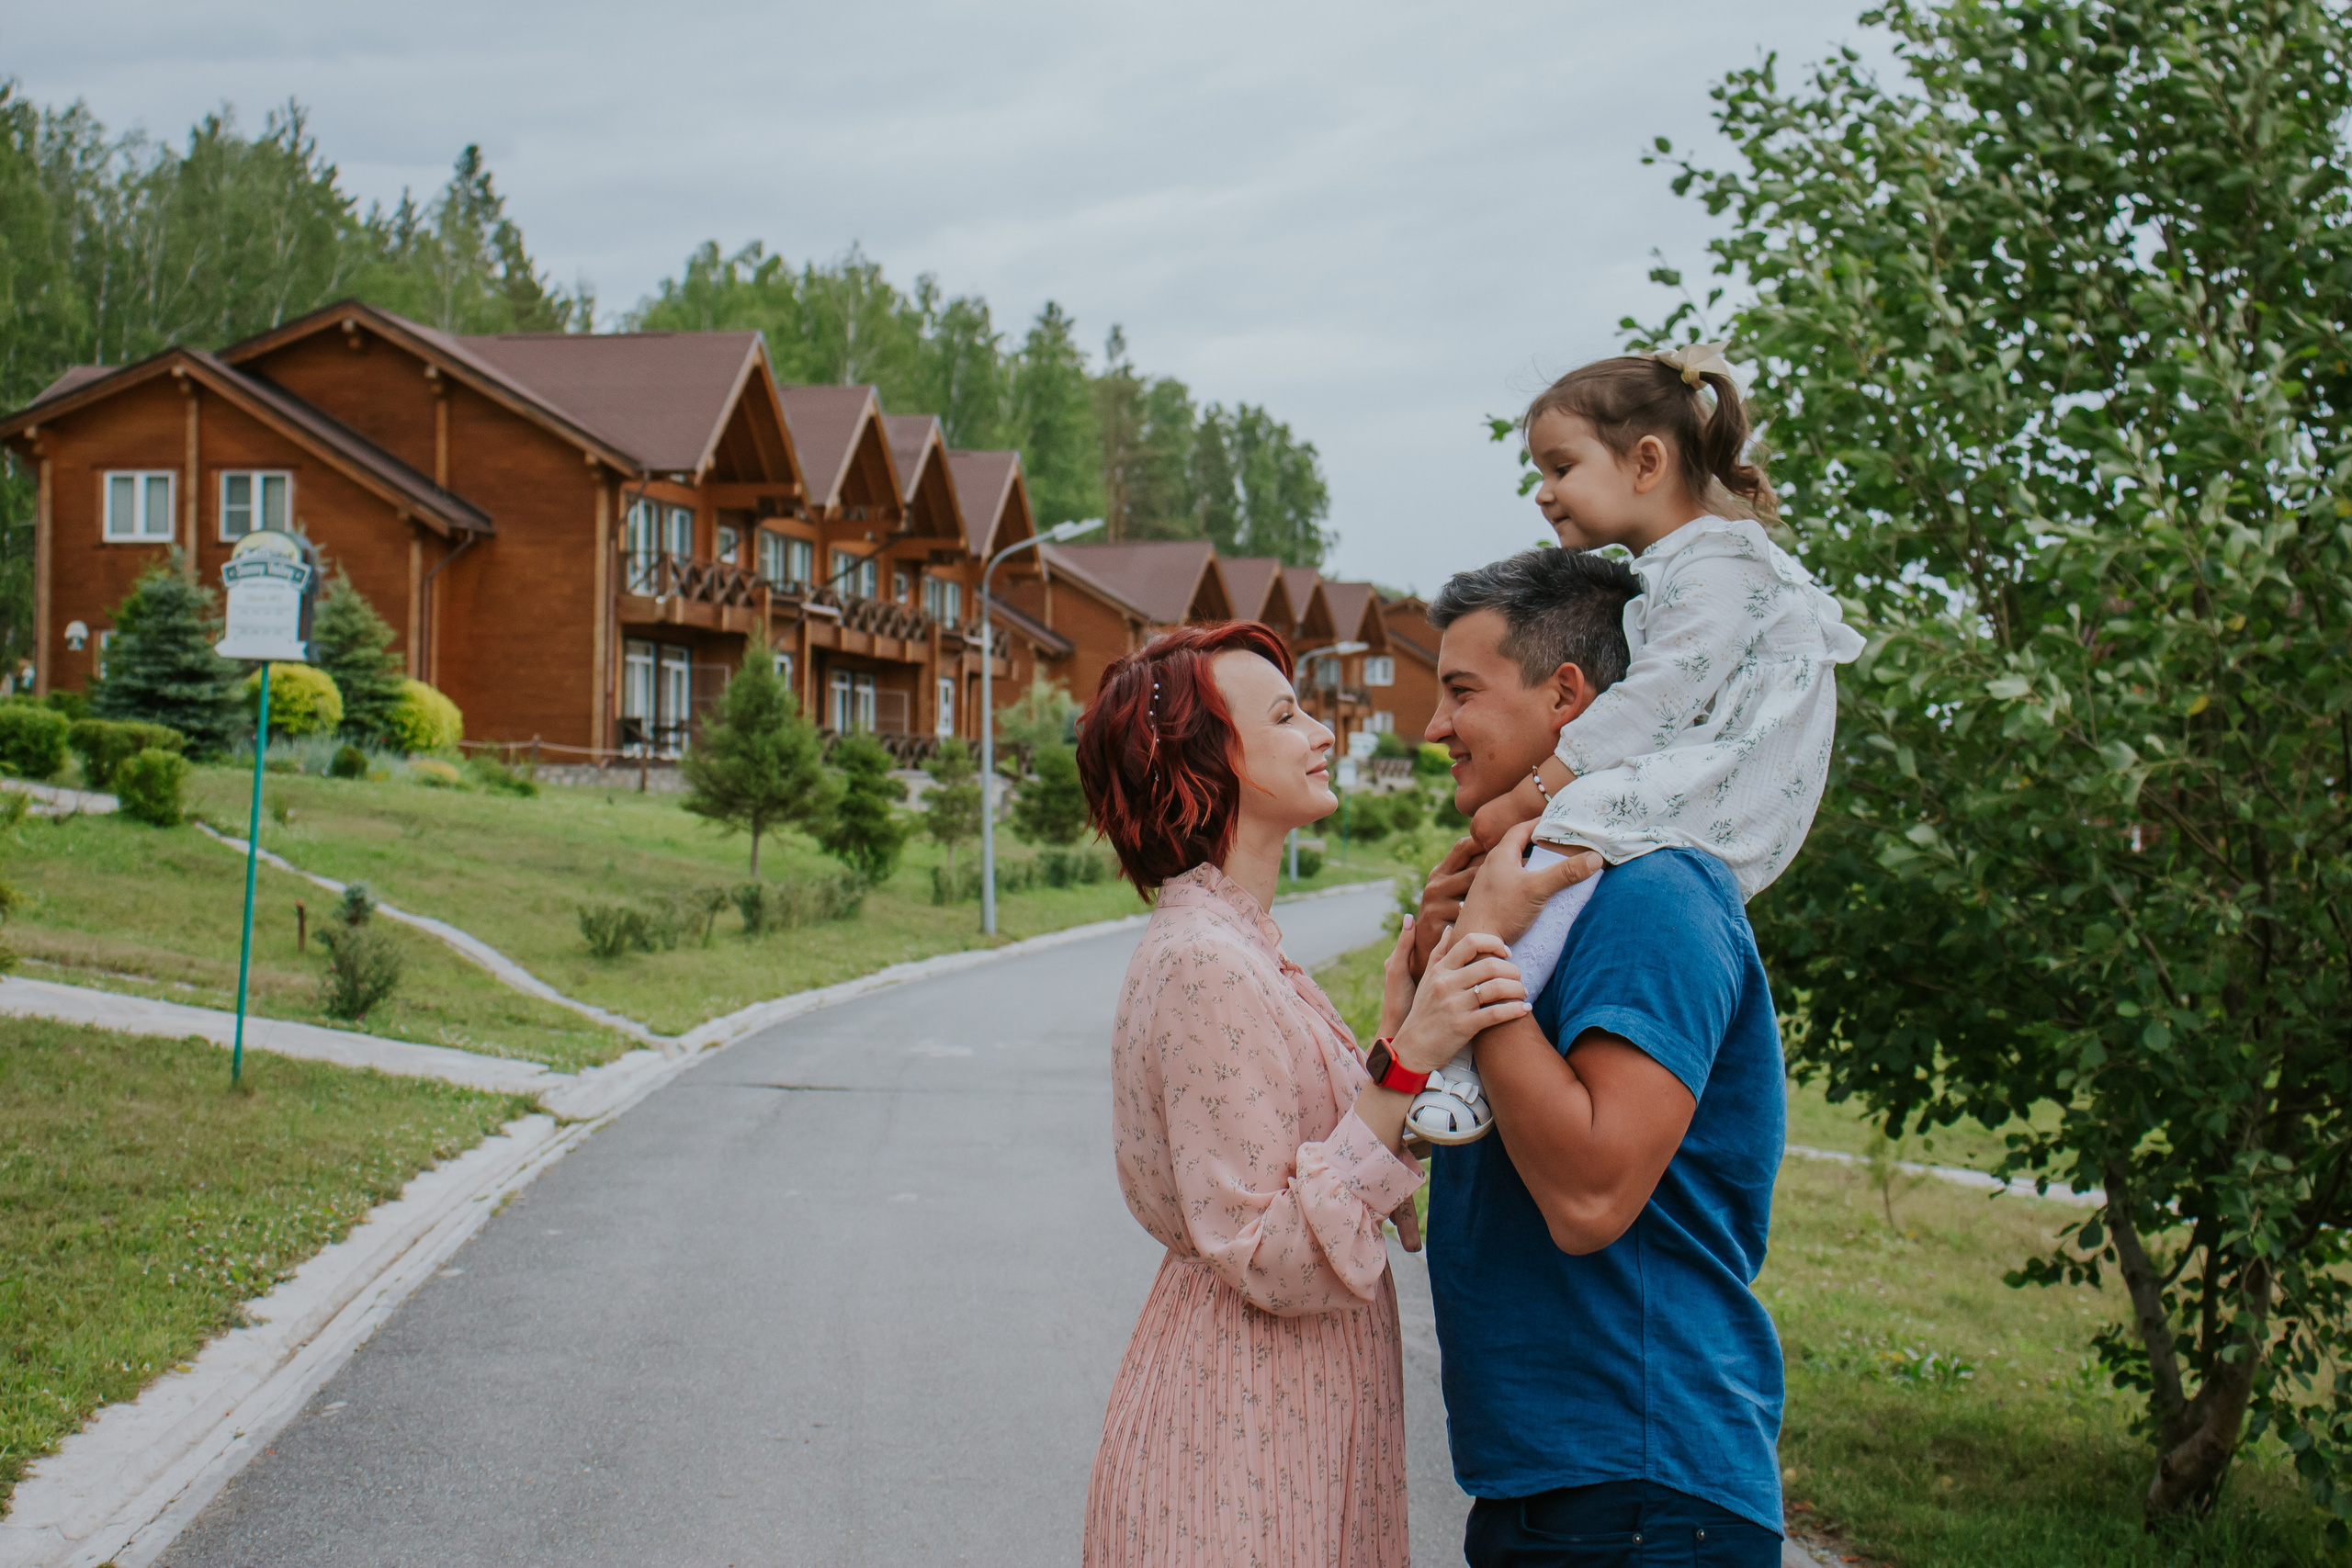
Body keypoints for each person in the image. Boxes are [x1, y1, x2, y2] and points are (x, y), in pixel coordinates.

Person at [1073, 620, 1532, 1568]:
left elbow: (1306, 1156)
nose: (1321, 733)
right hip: (1234, 1436)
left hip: (1283, 1413)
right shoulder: (1207, 961)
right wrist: (1409, 1059)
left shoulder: (1243, 943)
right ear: (1209, 763)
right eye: (1285, 717)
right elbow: (1271, 1248)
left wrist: (1395, 1027)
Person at [1407, 547, 1794, 1566]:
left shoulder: (1650, 891)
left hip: (1643, 1494)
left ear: (1566, 696)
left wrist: (1480, 959)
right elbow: (1414, 1127)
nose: (1432, 728)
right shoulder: (1543, 898)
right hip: (1562, 1488)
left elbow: (1589, 1199)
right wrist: (1435, 960)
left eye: (1459, 693)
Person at [1405, 343, 1862, 1145]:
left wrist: (1538, 788)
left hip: (1721, 778)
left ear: (1647, 461)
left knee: (1564, 837)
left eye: (1560, 466)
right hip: (1703, 769)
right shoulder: (1680, 568)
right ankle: (1459, 1025)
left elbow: (1654, 703)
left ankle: (1465, 1052)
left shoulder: (1719, 566)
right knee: (1562, 854)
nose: (1544, 493)